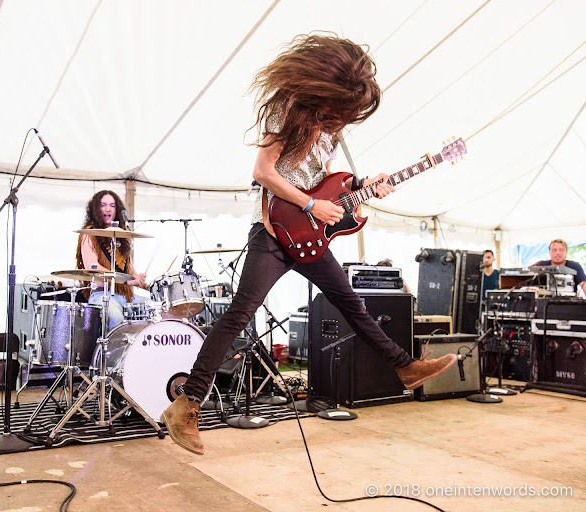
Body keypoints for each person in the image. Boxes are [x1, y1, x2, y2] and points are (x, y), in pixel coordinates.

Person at [160, 34, 457, 455]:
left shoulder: (332, 128)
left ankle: (405, 368)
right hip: (273, 232)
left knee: (352, 303)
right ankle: (186, 406)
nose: (346, 117)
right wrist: (311, 204)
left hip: (311, 238)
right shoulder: (287, 112)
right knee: (239, 314)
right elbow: (263, 171)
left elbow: (327, 178)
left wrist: (362, 185)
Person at [75, 190, 147, 329]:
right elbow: (92, 267)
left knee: (153, 312)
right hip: (102, 295)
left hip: (126, 297)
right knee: (116, 317)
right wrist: (125, 279)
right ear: (96, 208)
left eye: (112, 205)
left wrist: (138, 279)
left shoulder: (121, 237)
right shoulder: (89, 234)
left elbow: (131, 273)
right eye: (103, 205)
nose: (108, 209)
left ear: (117, 210)